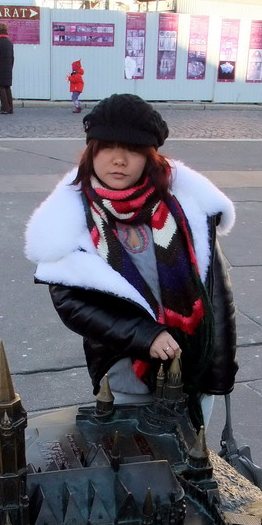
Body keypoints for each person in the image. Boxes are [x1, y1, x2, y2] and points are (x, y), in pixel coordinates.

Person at [24, 93, 238, 430]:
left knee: (191, 466)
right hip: (127, 378)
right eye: (107, 147)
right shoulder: (72, 219)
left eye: (133, 149)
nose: (119, 160)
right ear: (91, 152)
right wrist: (144, 335)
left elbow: (217, 297)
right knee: (139, 470)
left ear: (149, 157)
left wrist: (219, 374)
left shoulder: (188, 209)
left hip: (195, 373)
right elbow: (73, 304)